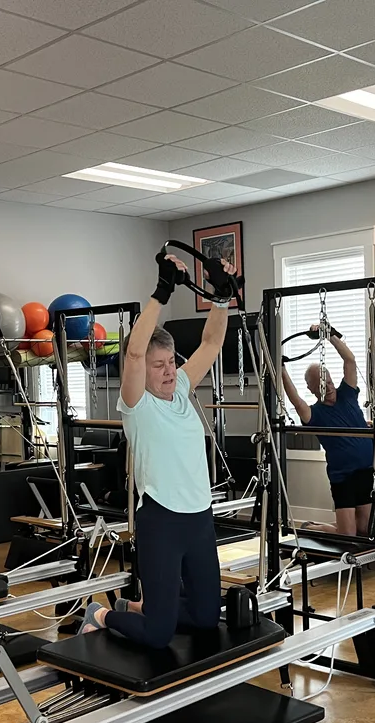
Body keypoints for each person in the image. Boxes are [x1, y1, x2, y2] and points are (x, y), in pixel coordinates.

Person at [79, 254, 234, 648]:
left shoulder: (181, 387)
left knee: (204, 618)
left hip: (199, 519)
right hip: (162, 523)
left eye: (170, 362)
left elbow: (212, 341)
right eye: (158, 365)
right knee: (159, 634)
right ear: (142, 372)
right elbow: (132, 352)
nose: (168, 371)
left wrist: (221, 298)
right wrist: (161, 292)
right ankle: (101, 614)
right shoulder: (137, 405)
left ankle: (142, 606)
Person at [281, 324, 374, 536]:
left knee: (365, 529)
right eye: (322, 386)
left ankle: (330, 527)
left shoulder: (347, 394)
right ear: (312, 389)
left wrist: (329, 334)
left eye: (330, 382)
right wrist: (281, 370)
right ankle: (312, 529)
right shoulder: (314, 414)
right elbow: (295, 400)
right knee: (348, 536)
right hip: (342, 477)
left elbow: (349, 360)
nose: (330, 387)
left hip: (365, 471)